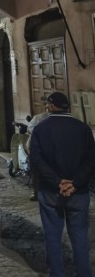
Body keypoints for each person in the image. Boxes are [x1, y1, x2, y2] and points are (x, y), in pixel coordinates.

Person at [29, 91, 95, 277]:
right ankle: (83, 273)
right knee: (80, 237)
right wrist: (75, 183)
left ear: (51, 106)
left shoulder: (41, 129)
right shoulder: (82, 128)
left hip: (50, 192)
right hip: (78, 192)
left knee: (52, 236)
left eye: (47, 105)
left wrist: (57, 182)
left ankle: (57, 273)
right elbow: (91, 161)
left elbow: (36, 159)